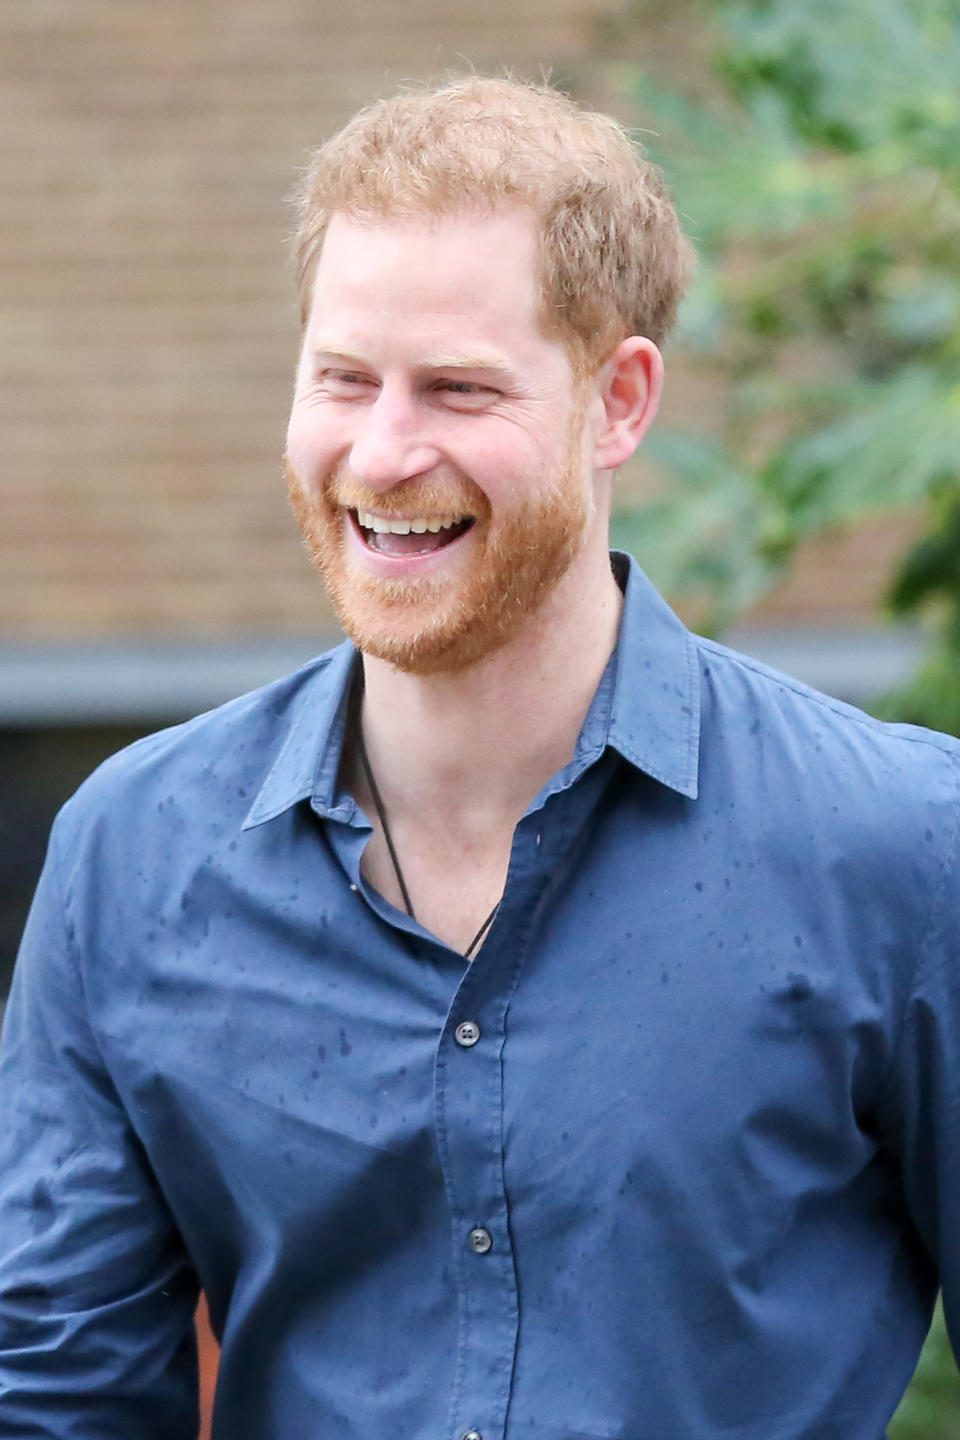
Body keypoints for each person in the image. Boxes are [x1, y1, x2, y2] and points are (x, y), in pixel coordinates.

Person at [1, 74, 959, 1440]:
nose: (384, 454)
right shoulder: (133, 852)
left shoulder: (905, 847)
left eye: (456, 388)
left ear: (619, 401)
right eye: (343, 379)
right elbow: (56, 1398)